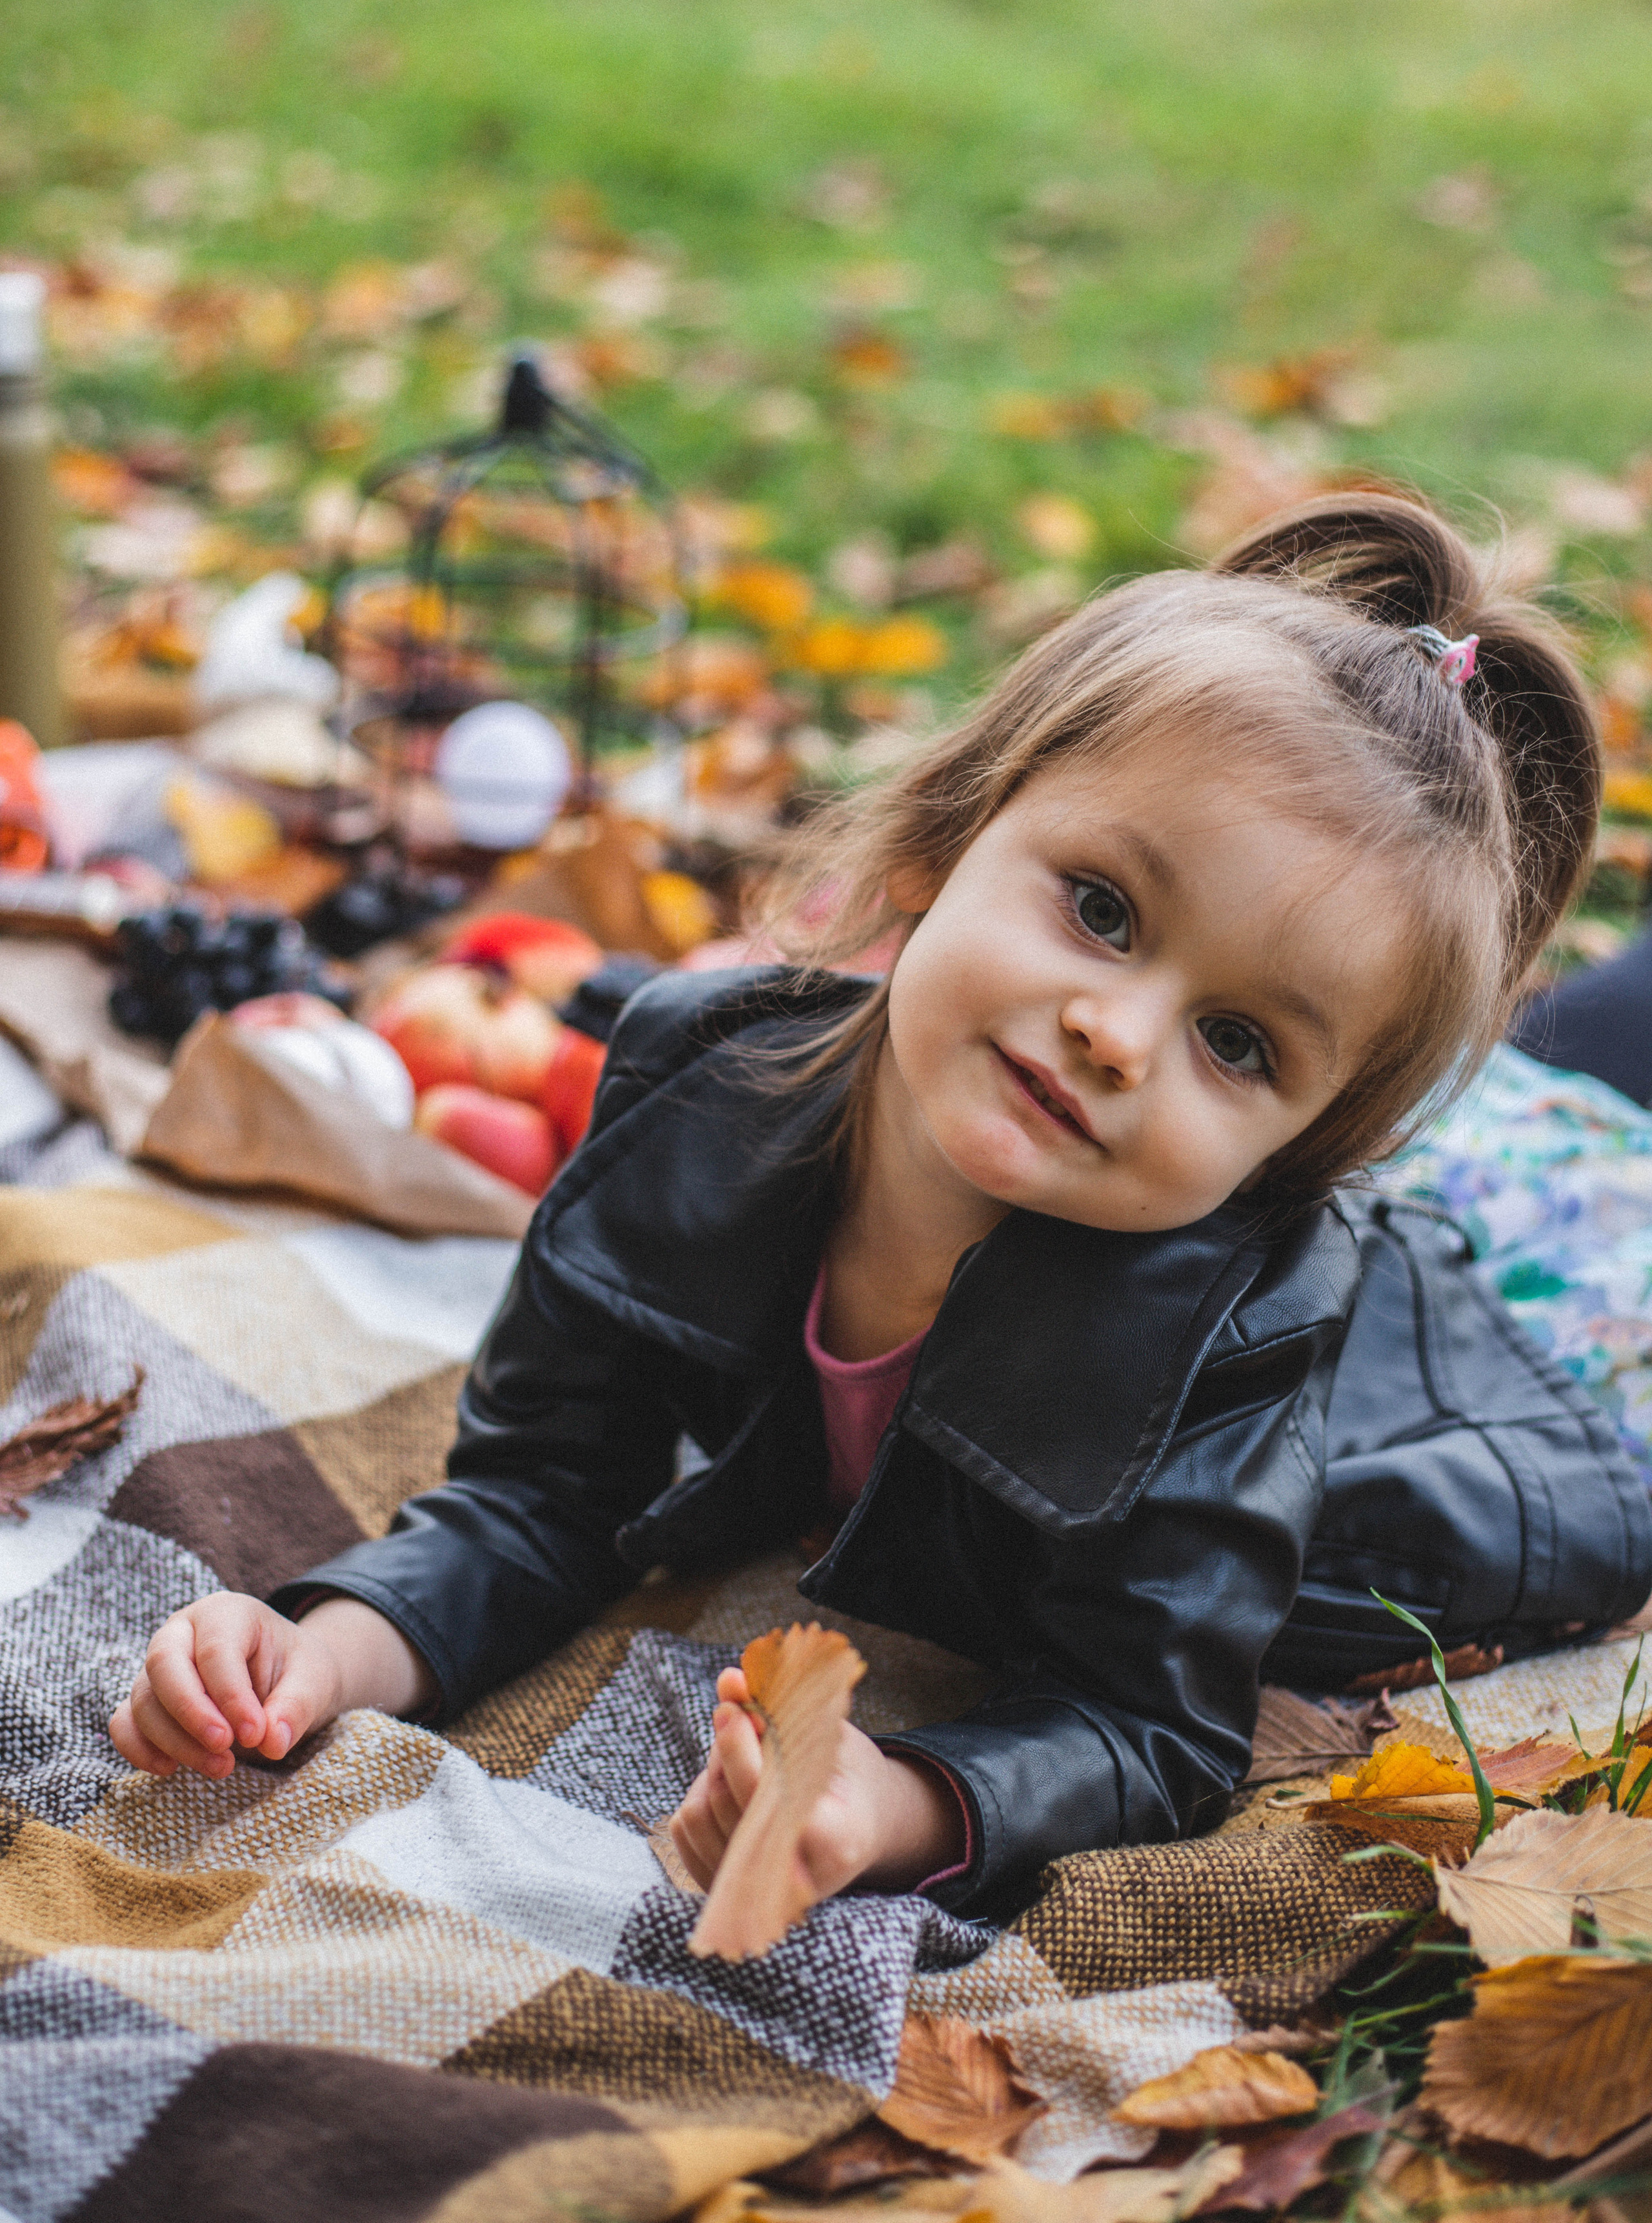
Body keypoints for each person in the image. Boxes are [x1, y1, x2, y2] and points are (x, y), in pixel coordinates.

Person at [110, 494, 1646, 1922]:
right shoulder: (694, 1084)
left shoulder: (1244, 1323)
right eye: (1101, 909)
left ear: (1297, 1150)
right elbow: (534, 1496)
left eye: (1236, 1043)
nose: (1113, 1033)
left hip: (1440, 1398)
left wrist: (901, 1801)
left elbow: (1146, 1724)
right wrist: (314, 1653)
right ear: (940, 836)